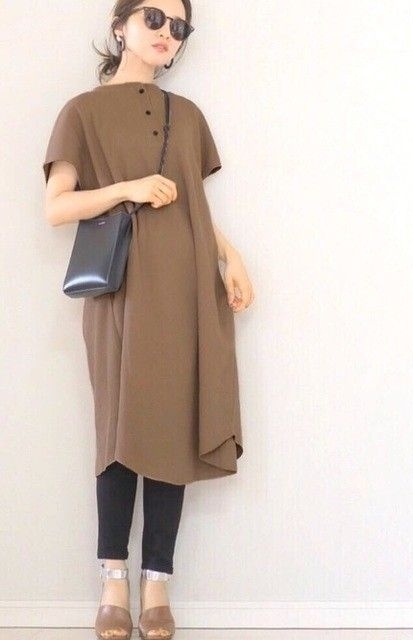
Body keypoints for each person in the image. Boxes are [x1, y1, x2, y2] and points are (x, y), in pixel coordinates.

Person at [42, 1, 254, 638]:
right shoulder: (81, 112)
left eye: (179, 27)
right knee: (118, 426)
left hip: (187, 285)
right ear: (121, 26)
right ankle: (113, 578)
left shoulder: (187, 116)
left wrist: (230, 257)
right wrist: (126, 188)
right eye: (154, 19)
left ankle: (156, 582)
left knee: (174, 426)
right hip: (121, 290)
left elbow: (193, 206)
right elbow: (57, 207)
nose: (168, 33)